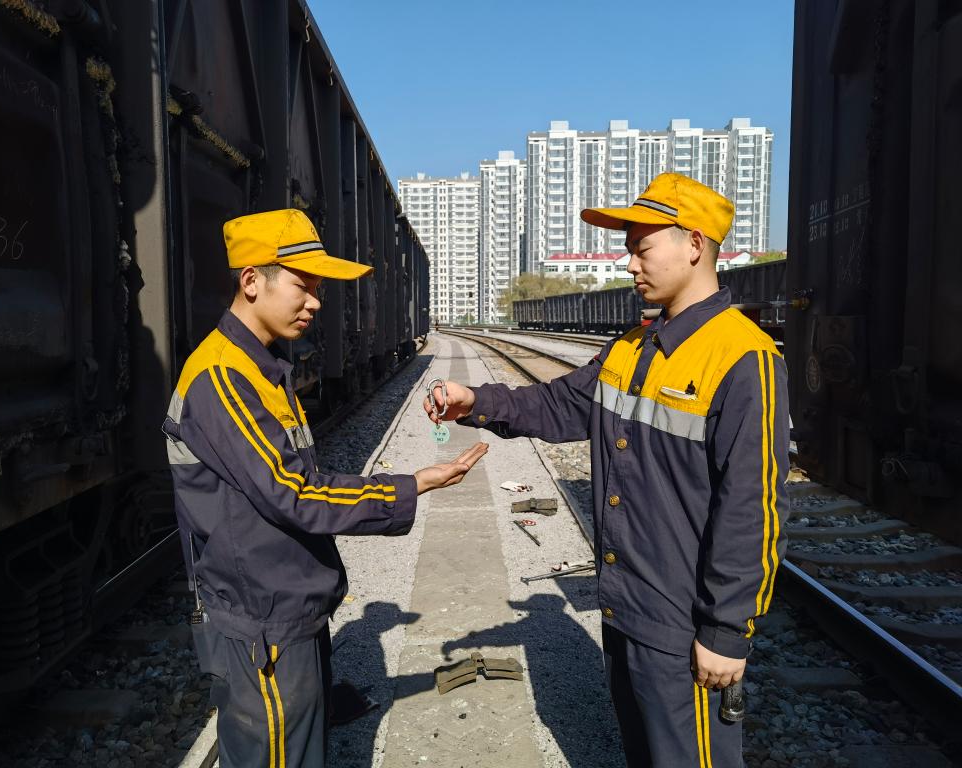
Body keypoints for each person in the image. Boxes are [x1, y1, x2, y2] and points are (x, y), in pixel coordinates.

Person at [425, 173, 789, 766]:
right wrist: (476, 401)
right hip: (624, 603)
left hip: (681, 618)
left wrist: (726, 631)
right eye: (629, 250)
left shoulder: (742, 357)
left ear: (695, 245)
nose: (630, 263)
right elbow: (561, 404)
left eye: (642, 248)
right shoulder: (632, 347)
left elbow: (754, 508)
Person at [163, 208, 487, 768]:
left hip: (283, 604)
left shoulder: (260, 364)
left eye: (318, 289)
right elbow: (296, 494)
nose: (315, 302)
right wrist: (412, 485)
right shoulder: (222, 376)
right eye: (303, 286)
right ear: (251, 281)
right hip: (261, 622)